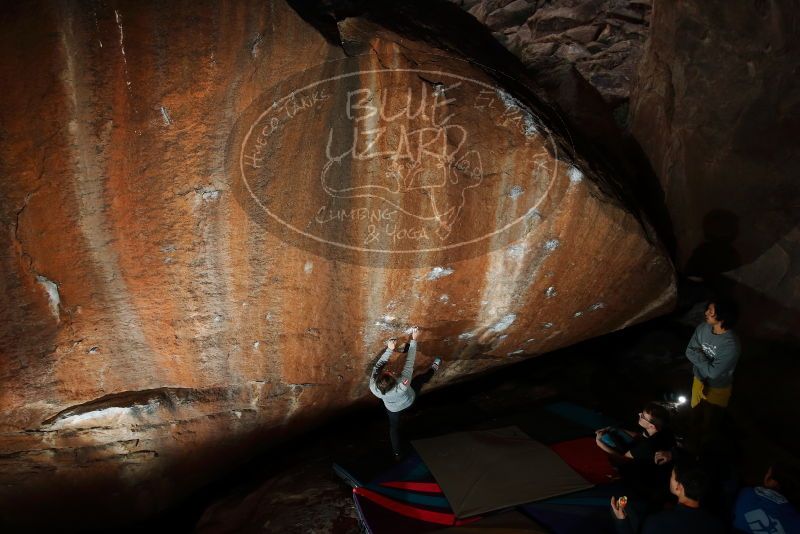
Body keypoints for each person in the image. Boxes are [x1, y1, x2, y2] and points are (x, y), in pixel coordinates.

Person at [369, 326, 441, 460]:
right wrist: (414, 340)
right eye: (390, 374)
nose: (389, 371)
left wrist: (390, 349)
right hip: (408, 400)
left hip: (393, 409)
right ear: (394, 381)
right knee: (420, 379)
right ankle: (435, 367)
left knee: (393, 428)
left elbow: (377, 367)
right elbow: (409, 362)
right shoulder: (403, 384)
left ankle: (397, 453)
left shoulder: (374, 388)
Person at [611, 458, 725, 534]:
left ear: (679, 487)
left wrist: (622, 521)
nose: (670, 479)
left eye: (672, 476)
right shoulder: (718, 524)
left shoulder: (656, 523)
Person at [684, 298, 741, 450]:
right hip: (698, 379)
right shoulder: (703, 328)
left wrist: (700, 356)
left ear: (722, 317)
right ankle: (691, 444)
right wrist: (705, 363)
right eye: (707, 309)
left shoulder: (731, 345)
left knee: (710, 423)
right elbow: (689, 351)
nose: (706, 313)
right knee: (695, 415)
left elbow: (714, 373)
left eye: (711, 311)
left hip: (718, 387)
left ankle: (705, 451)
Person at [596, 403, 676, 503]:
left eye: (642, 416)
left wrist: (599, 443)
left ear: (652, 426)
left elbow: (623, 458)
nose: (639, 415)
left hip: (647, 484)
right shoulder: (664, 430)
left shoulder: (648, 447)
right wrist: (618, 430)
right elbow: (641, 435)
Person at [733, 463, 800, 534]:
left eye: (768, 473)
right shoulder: (795, 520)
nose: (766, 475)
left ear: (773, 482)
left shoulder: (746, 494)